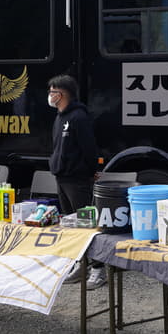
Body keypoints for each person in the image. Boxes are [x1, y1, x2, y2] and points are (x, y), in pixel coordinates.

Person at [47, 74, 104, 289]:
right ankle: (81, 264)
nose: (50, 96)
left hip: (78, 179)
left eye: (52, 92)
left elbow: (89, 148)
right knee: (72, 225)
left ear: (61, 94)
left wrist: (92, 170)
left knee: (87, 223)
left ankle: (98, 269)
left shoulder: (79, 117)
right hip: (61, 177)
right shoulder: (59, 118)